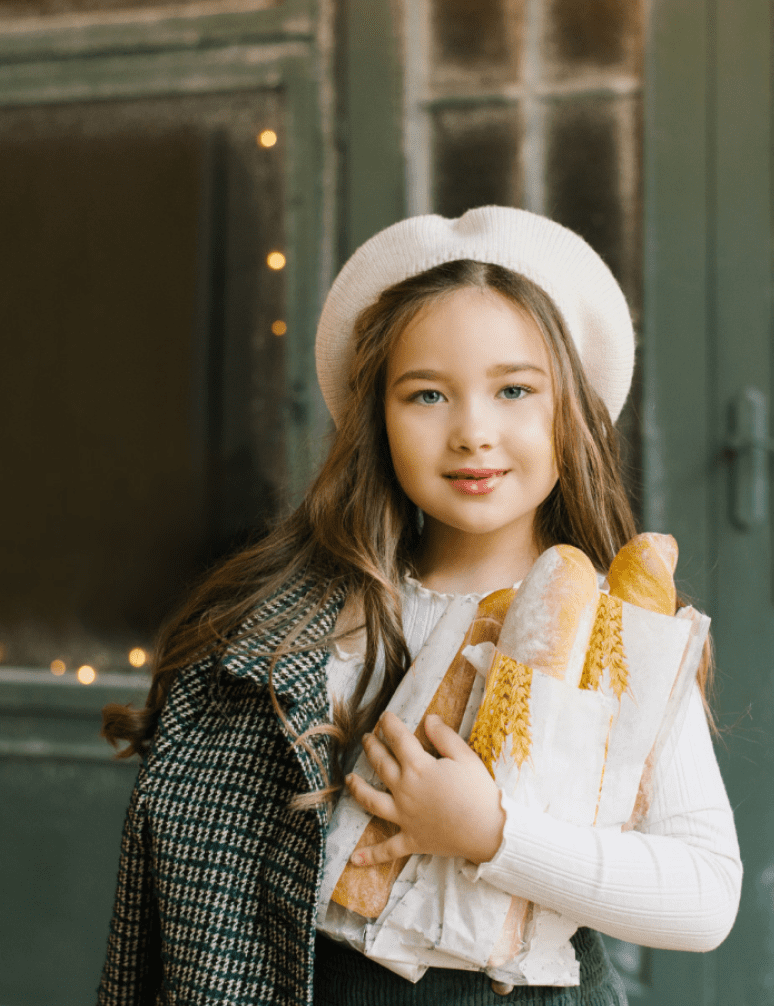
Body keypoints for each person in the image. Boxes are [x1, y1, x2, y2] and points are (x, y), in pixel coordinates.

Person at [98, 207, 742, 1006]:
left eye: (514, 389)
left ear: (570, 412)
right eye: (428, 395)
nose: (473, 431)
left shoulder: (618, 636)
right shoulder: (306, 624)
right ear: (378, 419)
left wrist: (493, 834)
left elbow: (706, 896)